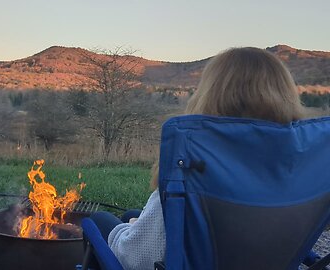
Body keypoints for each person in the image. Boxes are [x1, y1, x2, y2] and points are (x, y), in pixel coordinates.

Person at [86, 47, 305, 270]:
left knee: (100, 220)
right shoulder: (300, 171)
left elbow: (136, 259)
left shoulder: (195, 164)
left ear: (209, 96)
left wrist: (123, 233)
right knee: (133, 215)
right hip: (257, 257)